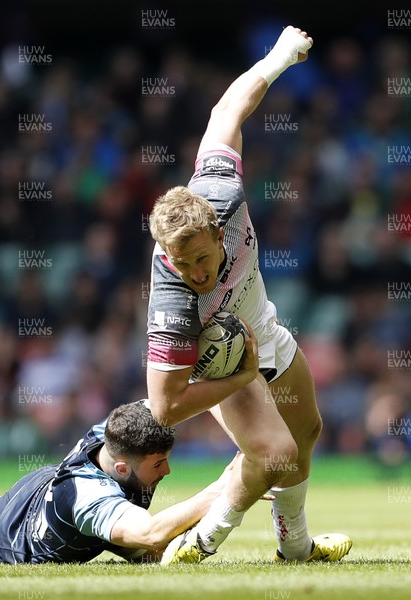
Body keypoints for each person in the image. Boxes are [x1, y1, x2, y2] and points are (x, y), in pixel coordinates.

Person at [146, 26, 352, 564]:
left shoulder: (224, 194)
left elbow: (225, 111)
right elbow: (165, 408)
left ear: (219, 233)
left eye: (199, 259)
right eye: (178, 261)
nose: (189, 270)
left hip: (265, 330)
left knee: (306, 433)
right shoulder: (172, 294)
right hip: (220, 362)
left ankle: (297, 546)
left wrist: (279, 57)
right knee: (278, 453)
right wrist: (240, 375)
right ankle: (201, 541)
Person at [0, 400, 237, 565]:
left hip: (46, 487)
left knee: (150, 550)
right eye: (159, 463)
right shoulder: (91, 496)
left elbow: (172, 398)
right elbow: (150, 532)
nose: (167, 472)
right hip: (6, 541)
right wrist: (225, 486)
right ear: (121, 467)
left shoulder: (117, 429)